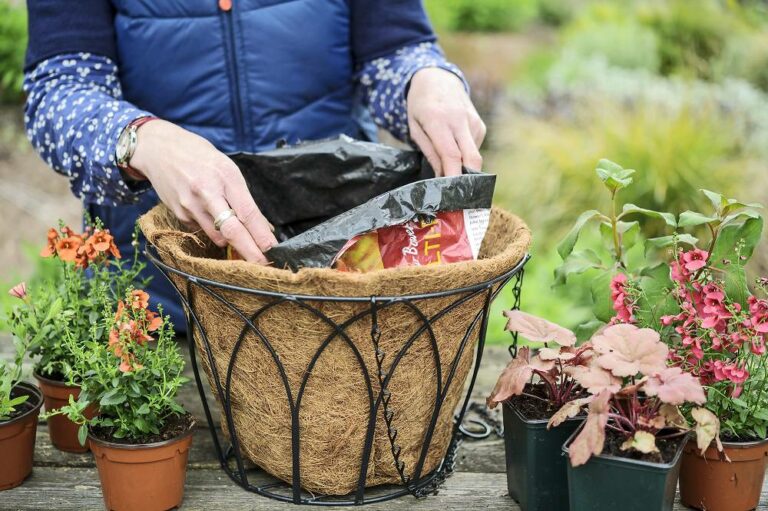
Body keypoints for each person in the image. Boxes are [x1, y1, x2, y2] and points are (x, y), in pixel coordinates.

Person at [23, 0, 486, 327]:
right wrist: (141, 138)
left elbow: (396, 47)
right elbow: (58, 91)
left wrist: (424, 78)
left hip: (338, 289)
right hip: (157, 297)